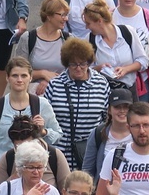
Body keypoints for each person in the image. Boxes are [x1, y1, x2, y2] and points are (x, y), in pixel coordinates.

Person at [0, 57, 62, 195]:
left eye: (24, 75)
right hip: (2, 170)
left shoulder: (42, 104)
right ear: (7, 78)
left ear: (30, 77)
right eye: (15, 75)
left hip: (33, 171)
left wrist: (43, 132)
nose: (19, 80)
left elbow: (57, 135)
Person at [44, 37, 111, 170]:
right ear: (66, 63)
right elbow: (47, 119)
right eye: (73, 64)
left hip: (90, 152)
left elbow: (107, 118)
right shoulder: (55, 84)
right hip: (61, 154)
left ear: (89, 62)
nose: (78, 68)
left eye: (83, 64)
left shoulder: (102, 84)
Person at [0, 115, 70, 195]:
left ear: (37, 140)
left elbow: (68, 190)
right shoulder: (8, 158)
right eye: (19, 148)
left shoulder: (54, 155)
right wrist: (15, 177)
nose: (24, 153)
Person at [83, 0, 149, 100]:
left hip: (129, 91)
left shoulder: (127, 32)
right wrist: (99, 68)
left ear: (99, 21)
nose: (87, 27)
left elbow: (143, 61)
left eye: (88, 23)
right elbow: (85, 69)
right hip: (104, 94)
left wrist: (126, 69)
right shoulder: (89, 39)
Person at [14, 0, 70, 96]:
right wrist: (42, 73)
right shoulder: (28, 38)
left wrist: (50, 82)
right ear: (49, 16)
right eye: (62, 15)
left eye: (66, 15)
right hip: (32, 97)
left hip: (62, 97)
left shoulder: (68, 40)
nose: (66, 18)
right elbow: (16, 71)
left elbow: (76, 71)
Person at [82, 88, 135, 181]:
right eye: (117, 107)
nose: (122, 110)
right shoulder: (97, 133)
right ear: (109, 110)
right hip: (104, 190)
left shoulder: (140, 132)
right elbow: (87, 170)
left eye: (126, 107)